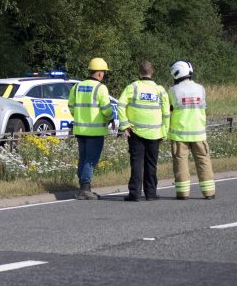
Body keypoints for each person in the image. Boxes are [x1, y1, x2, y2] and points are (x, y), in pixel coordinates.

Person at [118, 61, 170, 202]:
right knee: (151, 164)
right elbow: (166, 114)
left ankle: (134, 193)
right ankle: (151, 193)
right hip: (155, 134)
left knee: (136, 163)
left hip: (135, 132)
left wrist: (125, 126)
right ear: (152, 73)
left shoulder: (133, 87)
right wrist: (164, 133)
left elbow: (120, 105)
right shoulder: (160, 90)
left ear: (139, 73)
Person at [68, 58, 115, 200]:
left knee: (83, 158)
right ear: (100, 73)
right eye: (104, 73)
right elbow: (106, 108)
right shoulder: (100, 88)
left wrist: (79, 117)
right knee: (90, 160)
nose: (104, 75)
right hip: (95, 132)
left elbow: (71, 105)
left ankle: (83, 188)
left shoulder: (77, 87)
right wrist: (111, 118)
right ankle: (85, 189)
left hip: (80, 130)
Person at [168, 60, 216, 200]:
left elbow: (169, 109)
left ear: (176, 73)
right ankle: (209, 192)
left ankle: (183, 193)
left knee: (181, 163)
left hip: (179, 135)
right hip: (199, 133)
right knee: (203, 161)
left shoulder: (172, 91)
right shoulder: (201, 88)